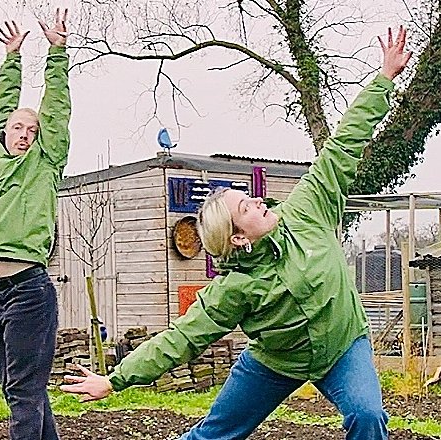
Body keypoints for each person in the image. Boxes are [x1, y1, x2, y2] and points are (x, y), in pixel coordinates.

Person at [61, 26, 413, 440]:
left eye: (250, 197)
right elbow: (181, 338)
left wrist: (384, 79)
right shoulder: (234, 289)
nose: (259, 202)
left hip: (342, 347)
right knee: (213, 435)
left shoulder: (306, 209)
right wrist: (115, 379)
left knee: (367, 416)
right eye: (246, 207)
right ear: (239, 239)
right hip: (276, 362)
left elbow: (341, 148)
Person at [0, 9, 70, 440]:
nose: (24, 133)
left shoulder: (45, 163)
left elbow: (55, 111)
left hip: (28, 291)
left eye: (31, 129)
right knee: (21, 391)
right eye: (18, 127)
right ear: (3, 132)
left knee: (24, 395)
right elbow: (2, 105)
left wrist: (55, 53)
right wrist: (11, 60)